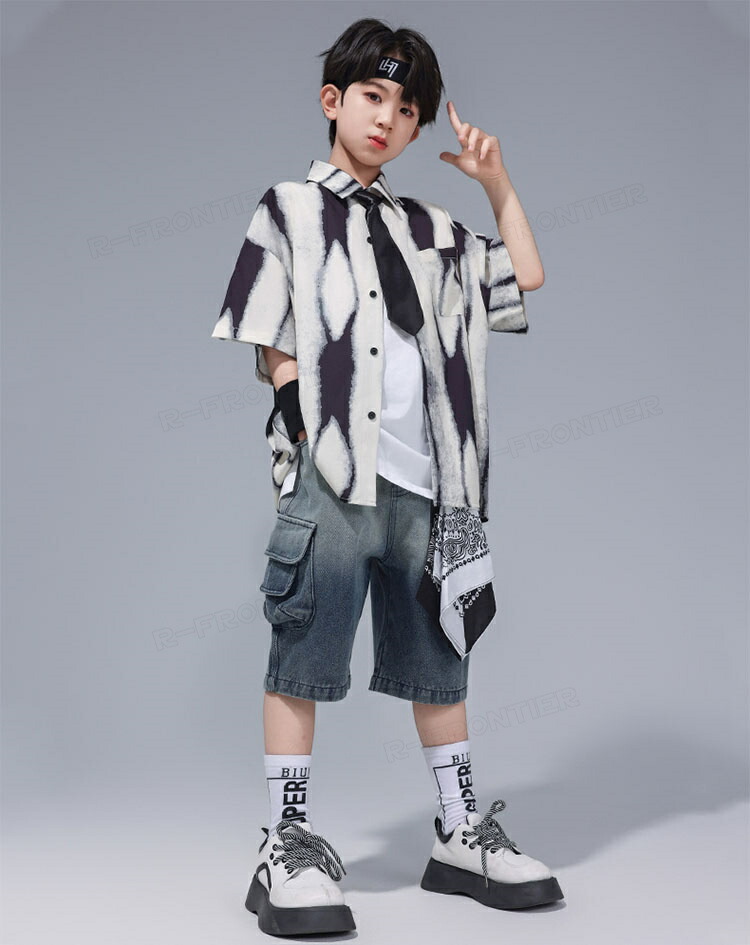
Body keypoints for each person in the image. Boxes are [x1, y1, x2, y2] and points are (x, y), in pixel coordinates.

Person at [210, 17, 563, 937]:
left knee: (440, 664)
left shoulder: (431, 228)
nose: (387, 117)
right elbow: (267, 328)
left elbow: (524, 276)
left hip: (432, 488)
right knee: (302, 651)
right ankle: (285, 843)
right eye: (372, 95)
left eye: (407, 108)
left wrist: (496, 183)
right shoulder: (289, 208)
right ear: (333, 100)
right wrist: (303, 429)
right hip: (336, 479)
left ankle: (458, 833)